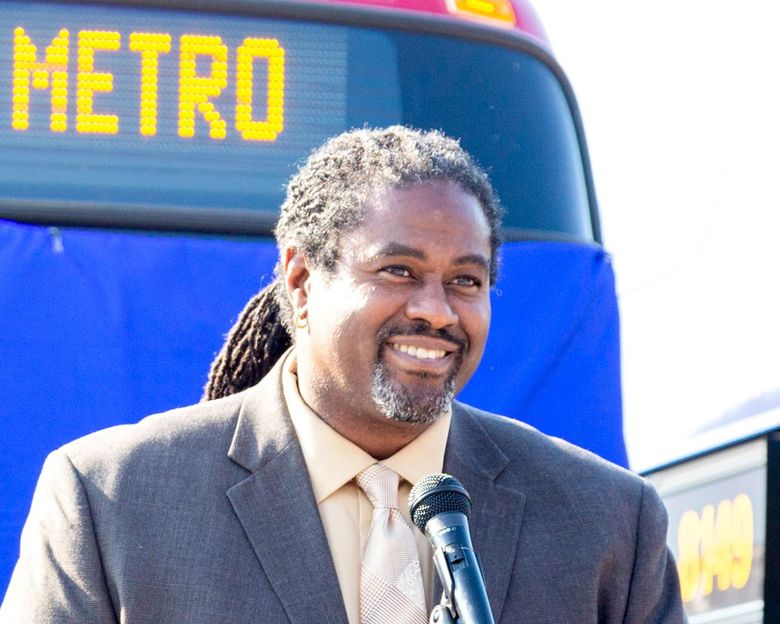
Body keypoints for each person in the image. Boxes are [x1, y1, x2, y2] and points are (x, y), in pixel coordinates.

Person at [1, 126, 686, 623]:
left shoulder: (608, 525)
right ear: (301, 282)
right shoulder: (112, 501)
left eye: (466, 280)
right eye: (399, 271)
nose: (436, 311)